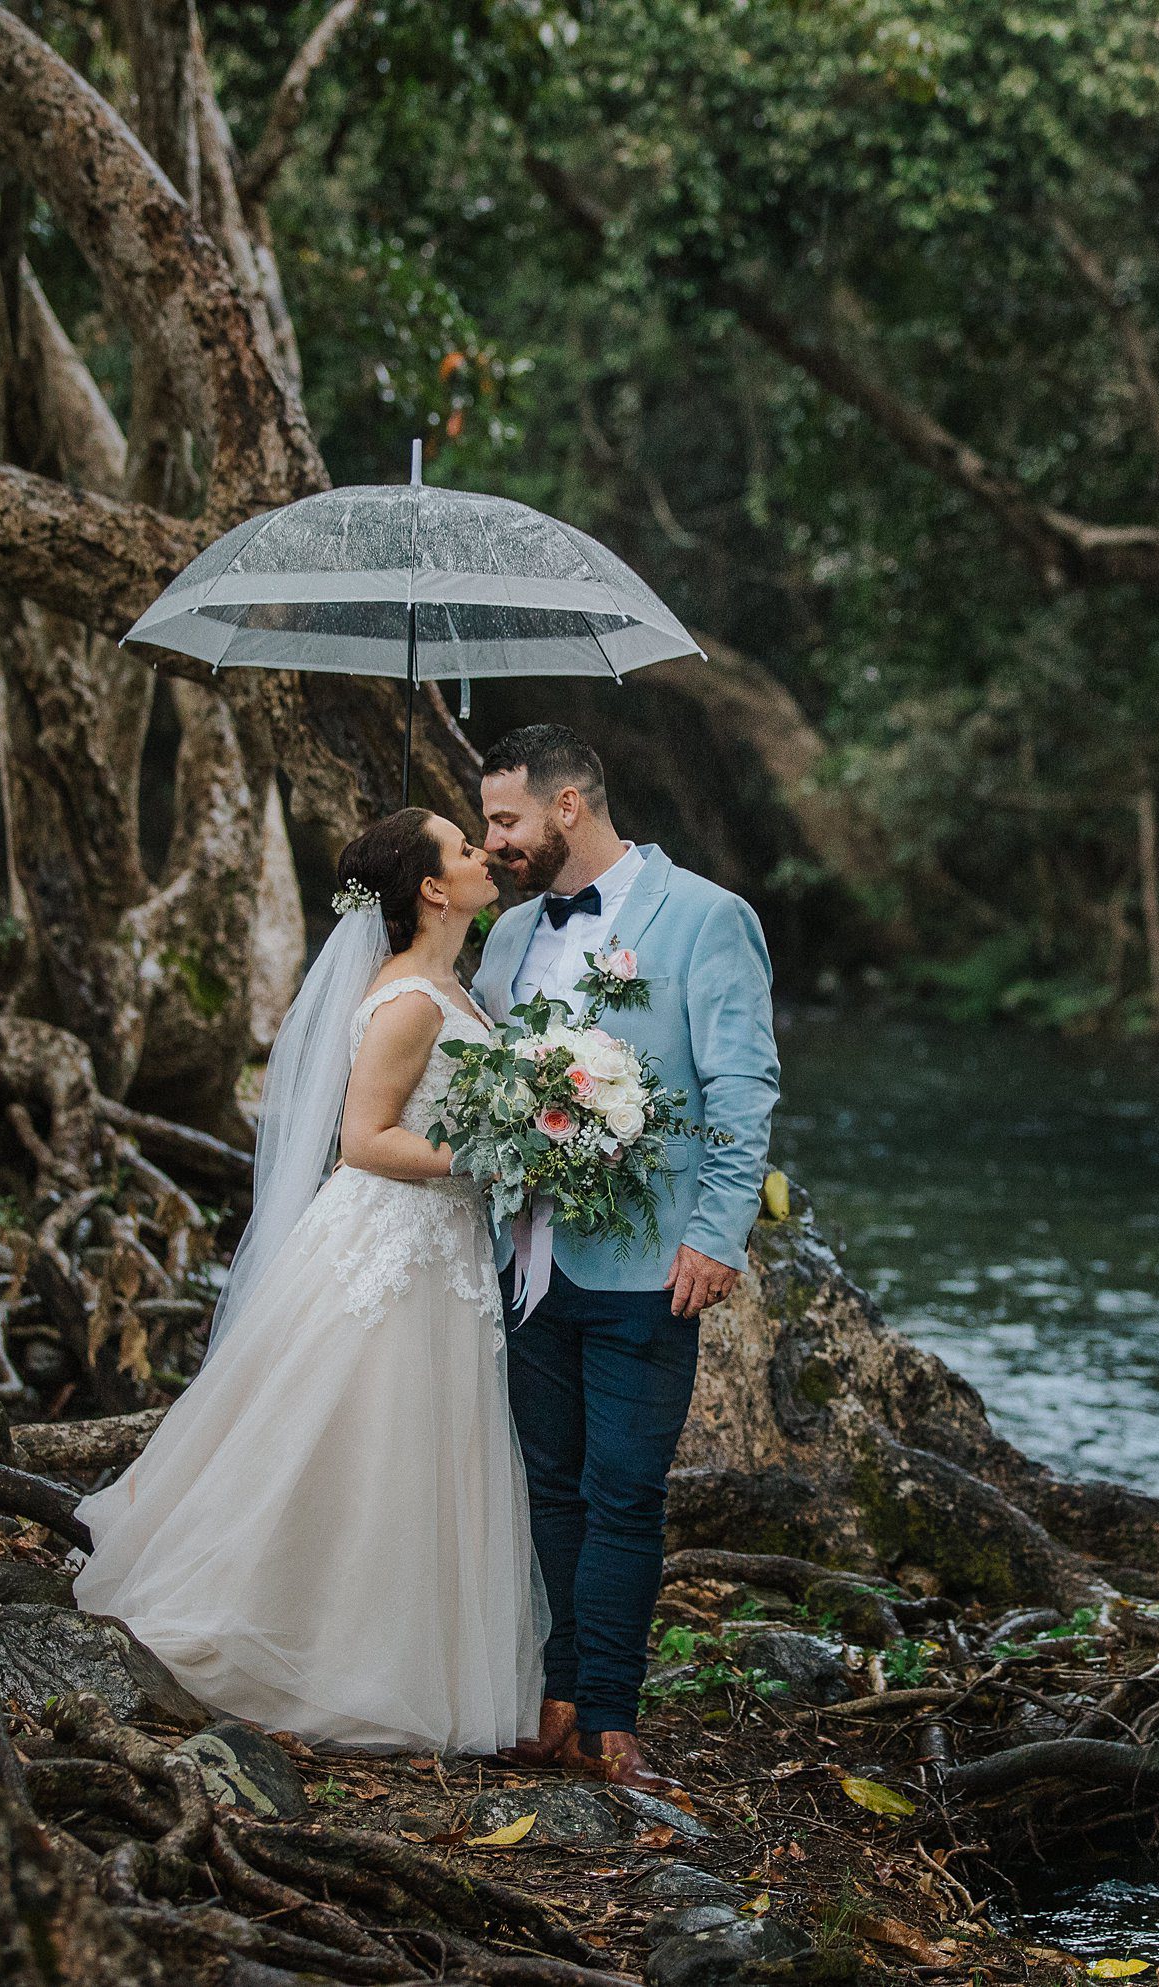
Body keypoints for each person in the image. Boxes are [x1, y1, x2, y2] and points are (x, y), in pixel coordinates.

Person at [71, 809, 546, 1753]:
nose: (483, 854)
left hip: (438, 1246)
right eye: (463, 848)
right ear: (432, 889)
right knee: (355, 1439)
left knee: (403, 1448)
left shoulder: (450, 983)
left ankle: (386, 1652)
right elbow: (364, 1139)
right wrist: (488, 1156)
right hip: (393, 1244)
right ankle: (291, 1639)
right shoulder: (412, 1000)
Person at [474, 724, 780, 1793]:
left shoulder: (705, 916)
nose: (493, 843)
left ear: (567, 806)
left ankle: (610, 1716)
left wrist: (717, 1231)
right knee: (548, 1485)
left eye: (504, 821)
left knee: (625, 1488)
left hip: (651, 1261)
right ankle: (555, 1702)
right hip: (526, 1260)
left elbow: (742, 1086)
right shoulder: (509, 935)